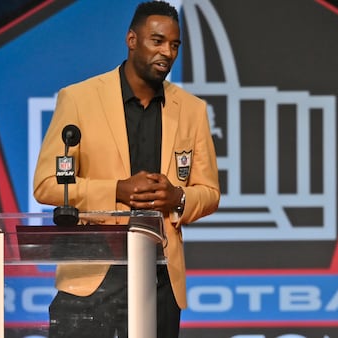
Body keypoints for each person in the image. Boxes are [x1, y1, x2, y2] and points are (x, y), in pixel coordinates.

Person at [32, 1, 220, 337]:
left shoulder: (191, 110)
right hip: (93, 276)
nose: (167, 52)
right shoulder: (79, 99)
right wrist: (117, 190)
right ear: (132, 40)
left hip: (160, 278)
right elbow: (47, 184)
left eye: (174, 45)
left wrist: (176, 197)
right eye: (157, 41)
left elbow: (209, 193)